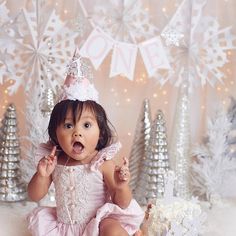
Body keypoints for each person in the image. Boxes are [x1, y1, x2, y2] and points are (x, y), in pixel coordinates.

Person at [27, 51, 144, 236]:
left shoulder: (102, 163)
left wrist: (121, 186)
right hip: (66, 228)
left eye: (87, 125)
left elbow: (122, 203)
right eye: (68, 125)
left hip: (99, 225)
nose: (77, 132)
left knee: (112, 230)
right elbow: (34, 195)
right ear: (55, 133)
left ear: (100, 132)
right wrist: (41, 176)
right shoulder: (55, 163)